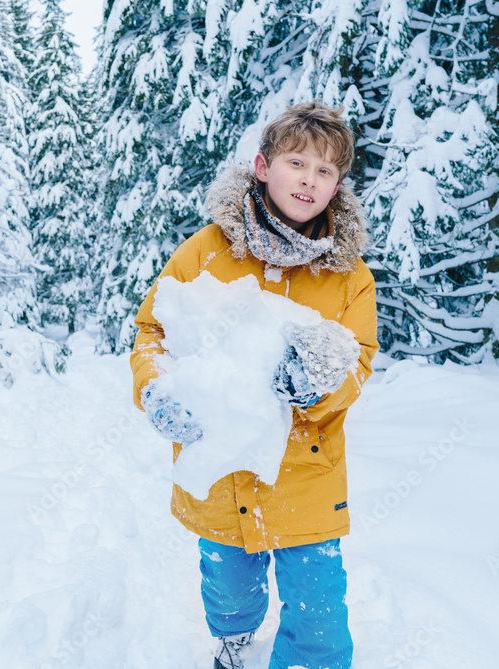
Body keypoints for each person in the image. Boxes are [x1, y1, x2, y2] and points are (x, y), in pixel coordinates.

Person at [130, 102, 378, 669]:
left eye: (326, 171)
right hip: (220, 466)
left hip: (307, 467)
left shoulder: (349, 277)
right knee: (229, 585)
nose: (310, 180)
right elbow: (152, 331)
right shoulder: (205, 251)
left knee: (319, 607)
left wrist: (320, 384)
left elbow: (359, 359)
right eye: (298, 163)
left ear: (338, 185)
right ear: (264, 167)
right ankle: (235, 638)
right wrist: (156, 390)